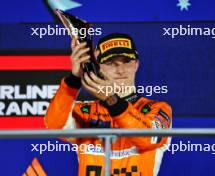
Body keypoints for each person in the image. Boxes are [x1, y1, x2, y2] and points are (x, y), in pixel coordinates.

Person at [45, 33, 172, 176]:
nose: (120, 70)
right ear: (99, 67)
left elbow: (148, 139)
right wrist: (74, 78)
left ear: (136, 64)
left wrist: (111, 100)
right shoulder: (85, 111)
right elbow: (55, 126)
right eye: (111, 63)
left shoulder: (158, 109)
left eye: (126, 61)